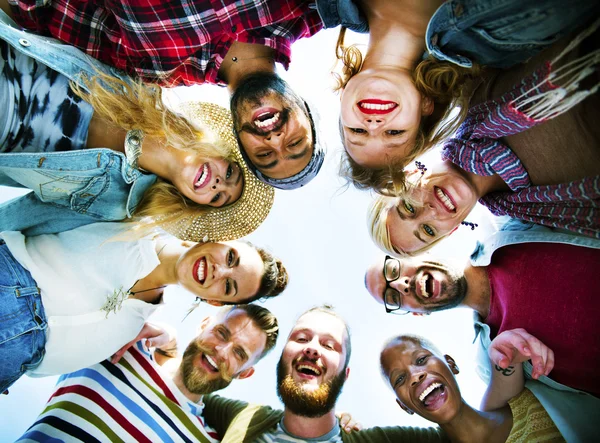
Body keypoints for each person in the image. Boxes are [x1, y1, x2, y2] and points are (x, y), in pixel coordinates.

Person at [0, 1, 358, 188]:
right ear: (308, 114)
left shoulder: (151, 71)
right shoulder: (306, 10)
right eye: (295, 144)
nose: (275, 139)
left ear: (239, 140)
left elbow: (44, 13)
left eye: (264, 155)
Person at [0, 11, 275, 240]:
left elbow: (36, 214)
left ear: (194, 202)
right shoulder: (146, 87)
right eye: (229, 174)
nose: (218, 185)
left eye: (219, 198)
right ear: (218, 150)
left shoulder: (117, 203)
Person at [367, 21, 600, 255]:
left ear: (408, 174)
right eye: (428, 230)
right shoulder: (547, 218)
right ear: (452, 231)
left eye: (408, 207)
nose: (431, 212)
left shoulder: (469, 85)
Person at [365, 218, 600, 441]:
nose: (400, 285)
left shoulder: (508, 225)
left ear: (419, 251)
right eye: (392, 297)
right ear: (417, 313)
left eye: (393, 269)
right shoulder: (492, 363)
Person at [335, 0, 600, 194]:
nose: (373, 126)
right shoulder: (497, 43)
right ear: (425, 106)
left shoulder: (322, 7)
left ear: (342, 101)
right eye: (394, 134)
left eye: (357, 131)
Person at [0, 220, 288, 393]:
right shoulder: (133, 221)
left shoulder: (133, 328)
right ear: (218, 239)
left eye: (229, 286)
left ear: (214, 301)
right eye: (230, 258)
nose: (219, 272)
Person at [15, 305, 280, 441]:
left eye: (239, 354)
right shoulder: (123, 346)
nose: (222, 351)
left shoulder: (205, 439)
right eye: (221, 333)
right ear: (204, 325)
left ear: (244, 374)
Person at [202, 306, 448, 442]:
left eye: (330, 345)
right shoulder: (242, 418)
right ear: (282, 358)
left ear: (345, 374)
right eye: (301, 338)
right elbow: (180, 388)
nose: (312, 348)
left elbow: (473, 433)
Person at [379, 332, 582, 442]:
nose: (415, 376)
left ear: (451, 364)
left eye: (422, 359)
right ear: (404, 406)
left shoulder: (529, 403)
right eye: (399, 379)